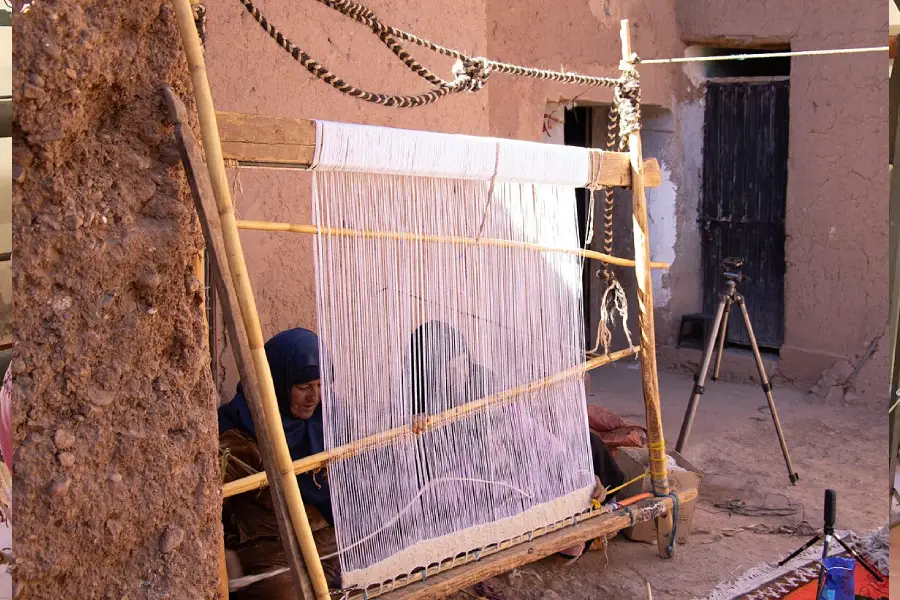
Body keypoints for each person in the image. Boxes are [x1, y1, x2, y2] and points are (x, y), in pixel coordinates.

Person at [406, 320, 626, 559]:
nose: (461, 375)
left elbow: (524, 429)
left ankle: (605, 510)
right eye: (449, 371)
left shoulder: (484, 381)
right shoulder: (420, 399)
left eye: (463, 364)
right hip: (467, 472)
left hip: (508, 456)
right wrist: (415, 425)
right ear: (430, 374)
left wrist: (570, 468)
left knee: (587, 447)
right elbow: (424, 457)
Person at [217, 327, 338, 599]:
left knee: (372, 564)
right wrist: (224, 554)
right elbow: (209, 502)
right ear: (277, 384)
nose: (314, 397)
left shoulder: (327, 422)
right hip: (268, 550)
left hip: (321, 538)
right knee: (290, 592)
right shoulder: (241, 436)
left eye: (320, 385)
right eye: (303, 387)